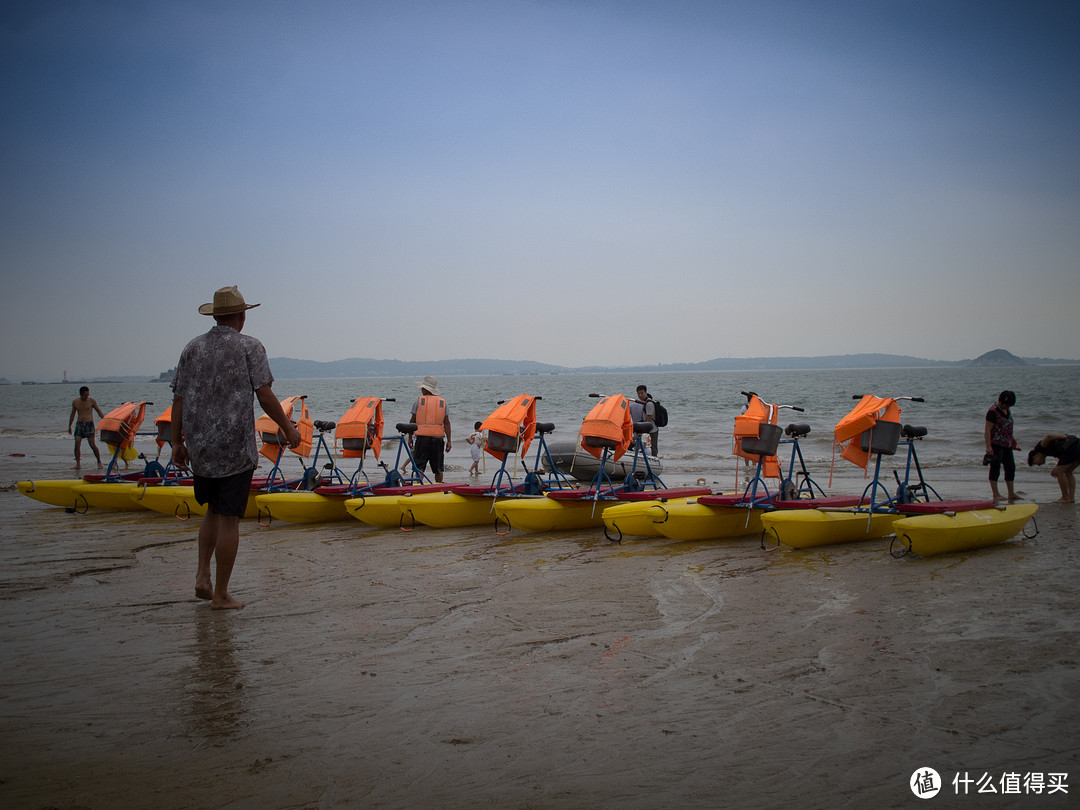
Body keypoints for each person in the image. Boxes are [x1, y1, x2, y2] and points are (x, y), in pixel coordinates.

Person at [171, 286, 301, 610]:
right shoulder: (250, 346)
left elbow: (178, 399)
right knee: (230, 518)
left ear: (215, 316)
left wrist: (176, 441)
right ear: (242, 316)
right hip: (234, 447)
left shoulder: (192, 348)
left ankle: (203, 575)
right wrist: (288, 428)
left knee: (212, 511)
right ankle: (221, 594)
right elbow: (266, 395)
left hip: (199, 446)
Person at [409, 376, 452, 483]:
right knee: (438, 467)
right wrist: (449, 440)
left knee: (420, 465)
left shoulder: (418, 402)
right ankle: (438, 487)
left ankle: (419, 486)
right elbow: (446, 423)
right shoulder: (443, 403)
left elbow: (412, 421)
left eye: (422, 388)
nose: (421, 390)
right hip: (437, 439)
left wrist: (410, 437)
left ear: (425, 389)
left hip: (422, 438)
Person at [984, 390, 1020, 503]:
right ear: (1001, 401)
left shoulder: (1006, 410)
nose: (1008, 406)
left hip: (1007, 444)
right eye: (1007, 404)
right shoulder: (992, 412)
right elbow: (987, 430)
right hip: (996, 444)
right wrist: (988, 446)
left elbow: (1007, 427)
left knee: (1010, 468)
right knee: (995, 468)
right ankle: (996, 494)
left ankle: (1011, 493)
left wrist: (1012, 440)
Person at [1028, 434, 1080, 504]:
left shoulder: (1039, 448)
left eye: (1035, 463)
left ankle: (1065, 498)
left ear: (1034, 456)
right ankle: (1071, 498)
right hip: (1076, 446)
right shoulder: (1048, 452)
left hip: (1072, 447)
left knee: (1059, 472)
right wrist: (1057, 468)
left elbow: (1049, 437)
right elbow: (1061, 458)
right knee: (1068, 472)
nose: (1039, 465)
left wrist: (1065, 437)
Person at [68, 386, 104, 469]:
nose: (86, 396)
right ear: (81, 394)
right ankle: (78, 464)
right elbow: (72, 414)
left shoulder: (91, 401)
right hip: (79, 424)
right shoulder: (75, 402)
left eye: (88, 395)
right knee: (77, 443)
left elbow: (98, 411)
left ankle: (99, 461)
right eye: (85, 395)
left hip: (89, 424)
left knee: (92, 444)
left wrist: (105, 420)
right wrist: (69, 426)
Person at [628, 384, 658, 456]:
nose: (640, 395)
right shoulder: (642, 403)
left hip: (652, 430)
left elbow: (649, 419)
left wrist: (644, 431)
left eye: (642, 393)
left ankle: (654, 461)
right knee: (642, 445)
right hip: (647, 428)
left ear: (646, 393)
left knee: (653, 447)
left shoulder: (649, 403)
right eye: (638, 394)